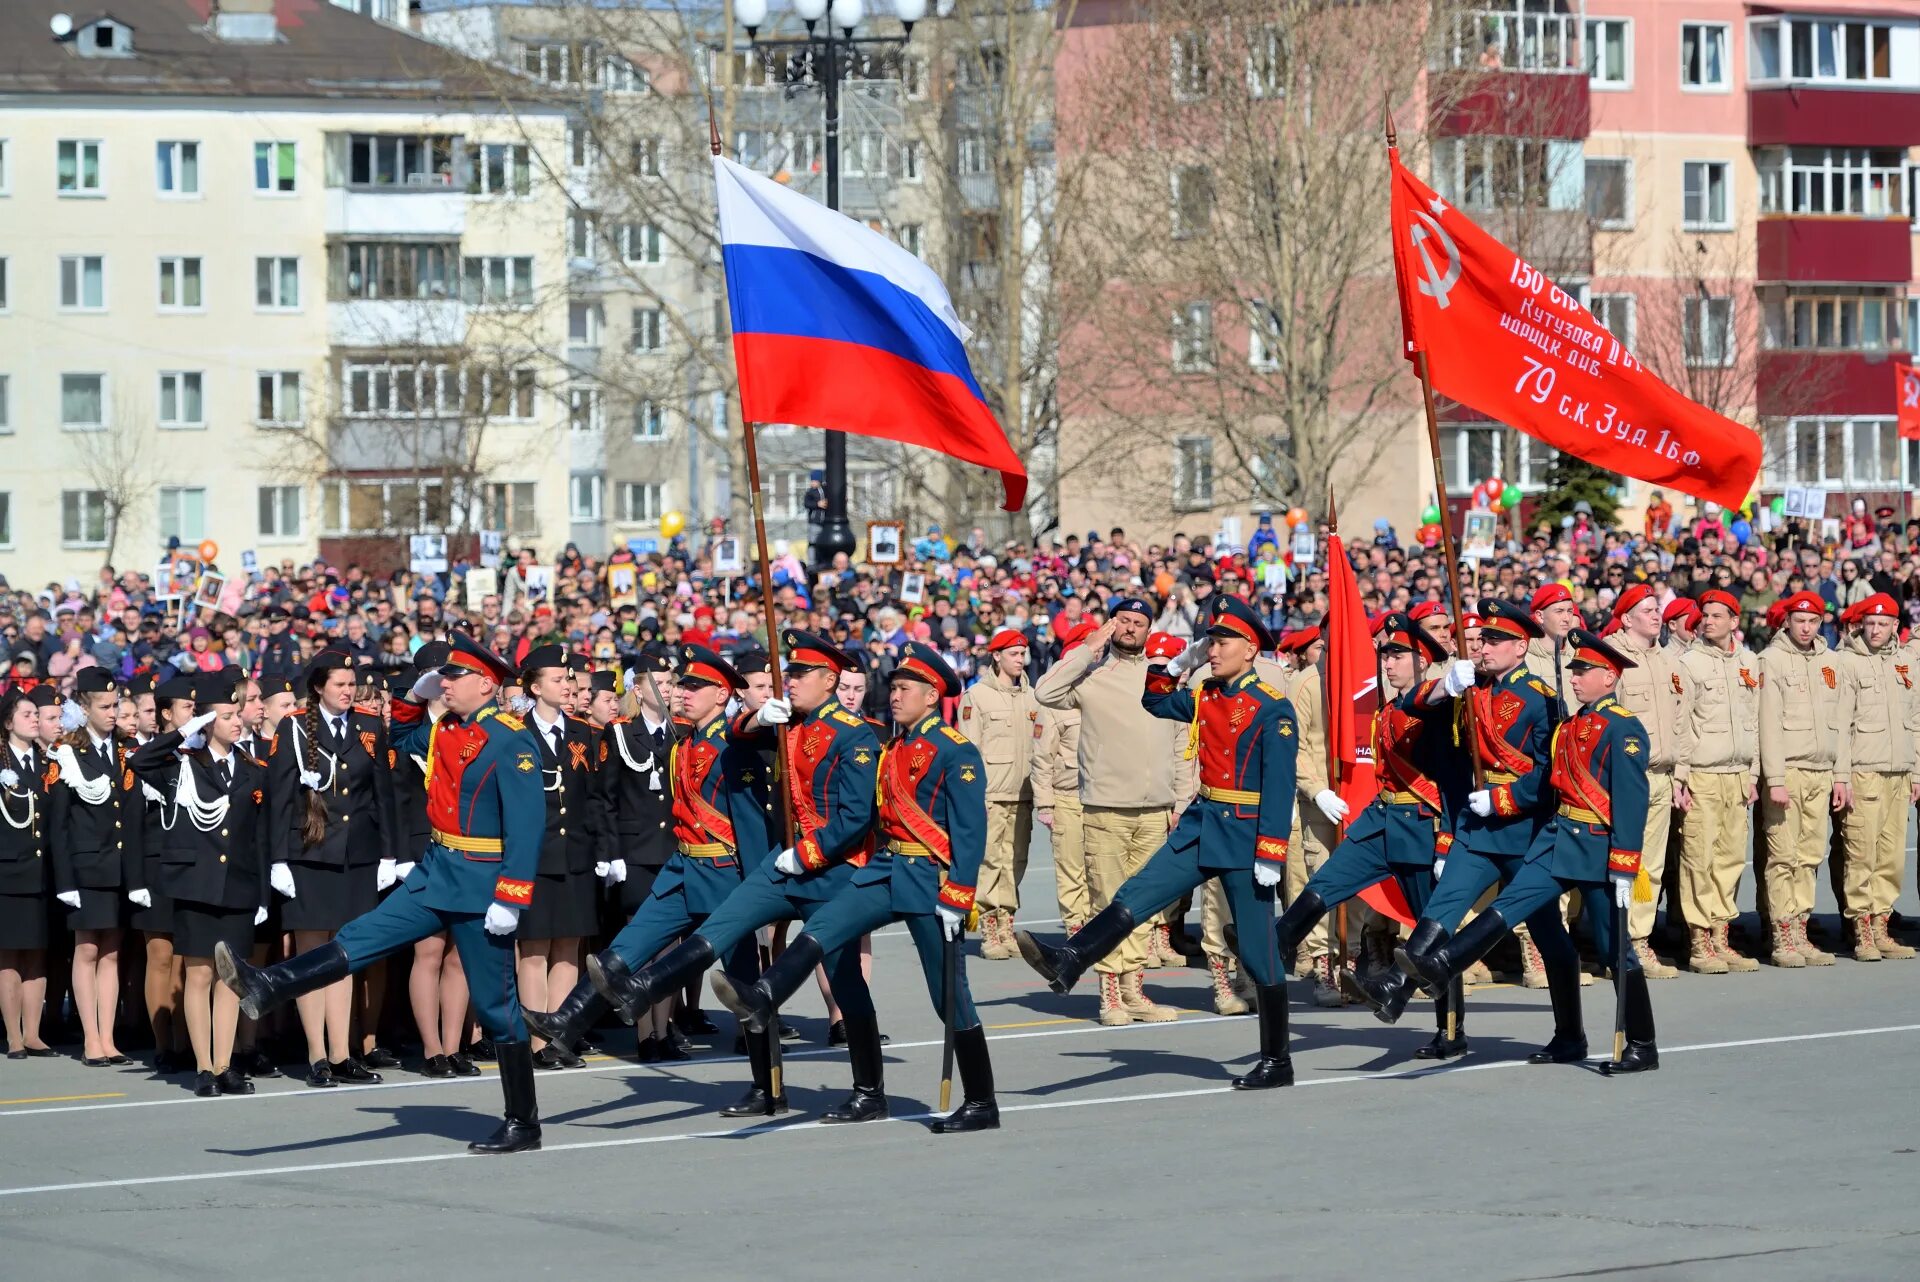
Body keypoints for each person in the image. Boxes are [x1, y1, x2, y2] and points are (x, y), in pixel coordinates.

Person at [219, 633, 547, 1155]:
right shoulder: (448, 729)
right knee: (363, 935)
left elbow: (529, 825)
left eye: (454, 677)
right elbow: (399, 742)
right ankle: (269, 985)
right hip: (438, 870)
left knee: (496, 1005)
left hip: (483, 886)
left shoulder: (511, 739)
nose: (445, 684)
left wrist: (511, 896)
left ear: (486, 684)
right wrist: (415, 699)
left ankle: (522, 1120)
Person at [580, 630, 882, 1122]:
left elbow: (854, 818)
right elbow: (737, 732)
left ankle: (869, 1088)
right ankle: (649, 992)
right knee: (725, 937)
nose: (790, 682)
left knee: (846, 980)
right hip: (782, 866)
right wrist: (761, 715)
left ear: (829, 680)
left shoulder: (854, 733)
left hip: (832, 870)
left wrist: (806, 854)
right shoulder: (787, 725)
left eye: (801, 673)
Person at [1017, 596, 1299, 1091]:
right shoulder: (1205, 695)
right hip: (1203, 820)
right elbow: (1154, 700)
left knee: (1258, 951)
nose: (1212, 650)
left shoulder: (1270, 708)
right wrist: (1175, 664)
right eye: (1209, 641)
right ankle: (1072, 959)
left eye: (1222, 642)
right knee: (1140, 892)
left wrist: (1271, 851)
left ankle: (1278, 1058)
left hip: (1245, 833)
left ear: (1251, 649)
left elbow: (1278, 784)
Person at [734, 641, 998, 1132]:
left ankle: (982, 1101)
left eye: (904, 689)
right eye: (893, 688)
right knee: (827, 926)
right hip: (885, 867)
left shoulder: (955, 750)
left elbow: (969, 831)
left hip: (928, 879)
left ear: (932, 694)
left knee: (948, 996)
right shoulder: (893, 746)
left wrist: (959, 893)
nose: (893, 696)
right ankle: (767, 994)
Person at [526, 643, 784, 1115]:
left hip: (728, 873)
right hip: (683, 866)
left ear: (722, 694)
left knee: (745, 983)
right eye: (680, 684)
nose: (682, 692)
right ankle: (566, 1020)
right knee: (620, 952)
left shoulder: (733, 736)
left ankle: (767, 1085)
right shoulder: (683, 739)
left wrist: (760, 715)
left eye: (693, 686)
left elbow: (753, 736)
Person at [1399, 627, 1659, 1073]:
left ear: (1609, 679)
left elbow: (1631, 802)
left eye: (1585, 670)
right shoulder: (1573, 724)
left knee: (1616, 950)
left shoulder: (1623, 728)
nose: (1574, 678)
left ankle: (1642, 1042)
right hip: (1558, 842)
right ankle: (1444, 961)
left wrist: (1624, 866)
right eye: (1573, 669)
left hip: (1598, 851)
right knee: (1509, 905)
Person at [1278, 614, 1467, 1057]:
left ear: (1424, 662)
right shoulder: (1389, 704)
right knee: (1328, 880)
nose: (1389, 662)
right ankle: (1280, 938)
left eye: (1399, 655)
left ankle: (1451, 1030)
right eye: (1387, 654)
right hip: (1381, 820)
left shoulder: (1436, 706)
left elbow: (1453, 775)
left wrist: (1446, 840)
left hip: (1423, 826)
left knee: (1430, 935)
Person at [1379, 600, 1556, 1023]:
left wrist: (1501, 799)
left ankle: (1570, 1030)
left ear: (1521, 648)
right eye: (1484, 639)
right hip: (1476, 828)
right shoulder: (1469, 688)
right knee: (1442, 908)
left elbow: (1550, 775)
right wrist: (1443, 687)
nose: (1486, 647)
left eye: (1497, 640)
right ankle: (1395, 986)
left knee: (1552, 939)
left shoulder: (1540, 699)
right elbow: (1409, 710)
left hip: (1522, 831)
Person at [1032, 597, 1190, 1025]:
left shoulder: (1161, 678)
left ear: (1148, 628)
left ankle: (1135, 991)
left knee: (1144, 905)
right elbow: (1045, 691)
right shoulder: (1093, 676)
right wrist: (1091, 646)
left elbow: (1181, 743)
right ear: (1111, 624)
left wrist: (1181, 799)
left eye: (1138, 622)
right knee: (1108, 903)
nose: (1130, 628)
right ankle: (1110, 995)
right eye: (1122, 620)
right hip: (1106, 807)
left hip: (1155, 809)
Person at [130, 671, 271, 1097]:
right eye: (227, 715)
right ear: (208, 720)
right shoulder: (182, 766)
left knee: (232, 980)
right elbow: (140, 763)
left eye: (237, 714)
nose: (237, 722)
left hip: (239, 887)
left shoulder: (251, 769)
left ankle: (226, 1064)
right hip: (196, 885)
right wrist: (184, 733)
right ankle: (204, 1066)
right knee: (198, 975)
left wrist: (262, 893)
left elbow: (257, 838)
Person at [267, 650, 398, 1087]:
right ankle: (317, 1055)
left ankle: (342, 1053)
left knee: (344, 958)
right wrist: (278, 859)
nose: (347, 691)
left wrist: (388, 854)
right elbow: (281, 796)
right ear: (319, 687)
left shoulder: (366, 726)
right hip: (310, 854)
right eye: (339, 684)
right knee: (312, 958)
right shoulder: (294, 727)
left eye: (350, 683)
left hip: (356, 858)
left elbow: (384, 795)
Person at [515, 644, 608, 1069]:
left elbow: (594, 798)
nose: (566, 685)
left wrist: (602, 851)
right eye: (556, 679)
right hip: (534, 857)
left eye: (567, 679)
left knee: (568, 949)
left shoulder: (582, 733)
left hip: (575, 853)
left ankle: (559, 1037)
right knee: (533, 951)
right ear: (535, 688)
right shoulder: (516, 733)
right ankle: (536, 1042)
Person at [389, 644, 477, 1078]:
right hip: (421, 848)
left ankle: (454, 1043)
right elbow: (398, 796)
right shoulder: (414, 731)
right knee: (429, 951)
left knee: (460, 954)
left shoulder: (469, 729)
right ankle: (431, 1049)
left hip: (464, 849)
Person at [49, 667, 142, 1067]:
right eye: (104, 706)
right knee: (87, 949)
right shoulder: (67, 752)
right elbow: (60, 825)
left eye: (115, 704)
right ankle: (90, 1037)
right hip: (86, 869)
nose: (112, 712)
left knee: (112, 953)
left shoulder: (124, 748)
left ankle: (108, 1036)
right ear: (83, 708)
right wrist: (65, 879)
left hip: (117, 867)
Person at [598, 655, 686, 1061]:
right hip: (635, 853)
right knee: (643, 943)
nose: (666, 689)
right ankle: (643, 1034)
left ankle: (664, 1031)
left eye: (670, 682)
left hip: (673, 850)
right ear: (638, 689)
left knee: (670, 946)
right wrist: (612, 853)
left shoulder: (680, 733)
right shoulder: (619, 733)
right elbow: (607, 799)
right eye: (659, 683)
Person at [1608, 585, 1693, 980]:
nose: (1655, 615)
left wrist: (1680, 775)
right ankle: (1617, 942)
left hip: (1661, 777)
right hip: (1626, 779)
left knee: (1651, 865)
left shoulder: (1670, 661)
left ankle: (1639, 938)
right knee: (1622, 863)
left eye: (1656, 609)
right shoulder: (1612, 656)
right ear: (1626, 618)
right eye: (1646, 610)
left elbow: (1681, 723)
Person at [1675, 589, 1761, 974]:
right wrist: (1681, 777)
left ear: (1734, 621)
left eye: (1716, 615)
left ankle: (1721, 934)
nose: (1708, 621)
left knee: (1729, 859)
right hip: (1703, 775)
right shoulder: (1689, 663)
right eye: (1704, 615)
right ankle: (1699, 940)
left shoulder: (1749, 661)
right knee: (1699, 858)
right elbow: (1681, 724)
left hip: (1738, 774)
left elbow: (1755, 721)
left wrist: (1755, 773)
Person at [1756, 591, 1842, 968]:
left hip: (1821, 771)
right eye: (1799, 620)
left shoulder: (1831, 661)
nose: (1806, 627)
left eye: (1812, 621)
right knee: (1783, 855)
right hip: (1787, 769)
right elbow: (1768, 724)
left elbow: (1841, 724)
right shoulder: (1770, 661)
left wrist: (1841, 774)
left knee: (1810, 855)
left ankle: (1801, 926)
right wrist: (1774, 778)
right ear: (1786, 621)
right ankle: (1782, 932)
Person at [1832, 593, 1919, 961]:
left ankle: (1882, 922)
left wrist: (1915, 771)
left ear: (1895, 627)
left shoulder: (1904, 663)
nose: (1877, 630)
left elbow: (1914, 721)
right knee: (1861, 853)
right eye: (1871, 623)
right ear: (1861, 625)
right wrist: (1841, 776)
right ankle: (1861, 927)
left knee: (1890, 856)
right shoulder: (1847, 663)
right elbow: (1838, 725)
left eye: (1884, 624)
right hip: (1863, 771)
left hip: (1898, 772)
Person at [955, 628, 1038, 960]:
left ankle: (1007, 920)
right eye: (1014, 654)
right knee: (990, 860)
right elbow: (968, 751)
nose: (1020, 660)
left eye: (1023, 654)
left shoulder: (1034, 696)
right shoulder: (977, 696)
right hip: (990, 792)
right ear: (997, 656)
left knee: (1016, 859)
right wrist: (972, 795)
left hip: (1024, 791)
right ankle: (990, 923)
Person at [0, 688, 54, 1059]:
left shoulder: (47, 761)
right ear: (8, 723)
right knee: (9, 957)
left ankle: (33, 1033)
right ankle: (13, 1035)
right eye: (27, 714)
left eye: (37, 714)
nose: (34, 719)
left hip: (41, 871)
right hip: (8, 870)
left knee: (37, 956)